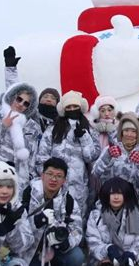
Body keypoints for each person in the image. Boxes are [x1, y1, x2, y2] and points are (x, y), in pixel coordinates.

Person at [23, 157, 85, 266]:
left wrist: (66, 242)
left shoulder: (69, 201)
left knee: (77, 256)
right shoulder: (27, 195)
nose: (53, 179)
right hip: (32, 252)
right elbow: (17, 228)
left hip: (57, 250)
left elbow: (77, 230)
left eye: (58, 176)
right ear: (42, 175)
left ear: (64, 180)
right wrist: (37, 222)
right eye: (50, 174)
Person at [35, 91, 97, 220]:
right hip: (54, 185)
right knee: (52, 218)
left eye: (75, 106)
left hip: (78, 186)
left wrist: (84, 137)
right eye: (68, 107)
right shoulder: (53, 128)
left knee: (76, 219)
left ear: (81, 107)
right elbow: (42, 156)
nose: (72, 109)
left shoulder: (90, 128)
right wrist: (48, 178)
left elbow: (91, 157)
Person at [0, 81, 41, 187]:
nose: (21, 104)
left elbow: (34, 158)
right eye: (19, 99)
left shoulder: (32, 127)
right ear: (12, 97)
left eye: (26, 103)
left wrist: (30, 179)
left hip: (21, 184)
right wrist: (3, 127)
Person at [92, 113, 139, 207]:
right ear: (121, 132)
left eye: (133, 131)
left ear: (138, 133)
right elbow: (96, 173)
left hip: (134, 204)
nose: (129, 134)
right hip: (110, 202)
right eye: (126, 130)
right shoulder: (111, 149)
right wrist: (107, 156)